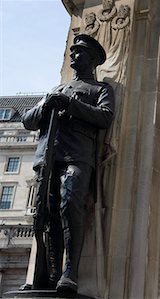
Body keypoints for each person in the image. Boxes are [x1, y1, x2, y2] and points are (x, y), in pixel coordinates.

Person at [22, 34, 114, 293]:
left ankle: (70, 271)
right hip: (48, 158)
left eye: (80, 53)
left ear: (93, 59)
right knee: (47, 213)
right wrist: (47, 105)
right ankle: (50, 273)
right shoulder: (55, 89)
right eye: (72, 53)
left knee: (70, 205)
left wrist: (71, 105)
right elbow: (28, 121)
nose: (73, 57)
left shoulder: (101, 90)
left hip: (77, 156)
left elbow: (105, 118)